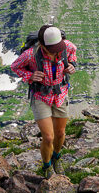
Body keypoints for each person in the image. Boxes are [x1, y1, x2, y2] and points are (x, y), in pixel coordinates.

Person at [11, 24, 77, 178]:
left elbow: (73, 53)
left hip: (60, 94)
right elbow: (15, 67)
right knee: (48, 137)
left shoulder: (66, 47)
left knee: (60, 133)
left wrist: (72, 65)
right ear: (42, 45)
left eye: (58, 47)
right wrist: (30, 76)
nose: (57, 52)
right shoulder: (30, 55)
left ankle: (57, 157)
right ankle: (47, 166)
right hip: (41, 96)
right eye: (53, 49)